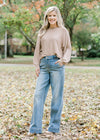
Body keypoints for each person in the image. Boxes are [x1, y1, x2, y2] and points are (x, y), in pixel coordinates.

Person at [29, 6, 71, 136]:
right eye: (49, 16)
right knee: (38, 95)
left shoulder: (63, 31)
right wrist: (37, 65)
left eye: (54, 15)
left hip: (57, 64)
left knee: (56, 97)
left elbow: (68, 47)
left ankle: (53, 127)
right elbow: (37, 50)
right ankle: (35, 128)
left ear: (58, 17)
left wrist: (63, 60)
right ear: (46, 17)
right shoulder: (42, 31)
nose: (52, 18)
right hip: (43, 65)